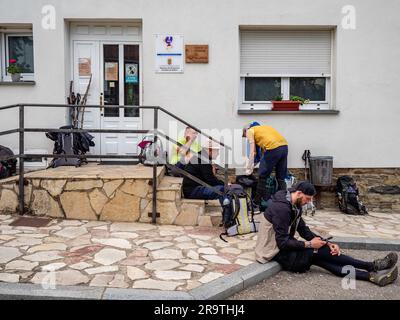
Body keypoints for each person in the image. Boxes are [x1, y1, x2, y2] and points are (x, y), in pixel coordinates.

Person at [255, 181, 398, 286]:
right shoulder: (282, 209)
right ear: (298, 193)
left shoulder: (294, 205)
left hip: (285, 249)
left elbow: (304, 230)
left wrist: (328, 243)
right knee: (319, 252)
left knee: (324, 256)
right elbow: (283, 242)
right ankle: (371, 267)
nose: (308, 202)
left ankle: (371, 275)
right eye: (307, 199)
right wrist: (311, 244)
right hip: (274, 252)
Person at [243, 122, 289, 206]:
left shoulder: (250, 131)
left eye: (244, 136)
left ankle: (258, 203)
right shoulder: (265, 128)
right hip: (284, 146)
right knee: (281, 177)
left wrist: (249, 168)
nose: (246, 138)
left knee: (262, 175)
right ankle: (284, 202)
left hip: (273, 148)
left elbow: (252, 152)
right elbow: (263, 150)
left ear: (246, 130)